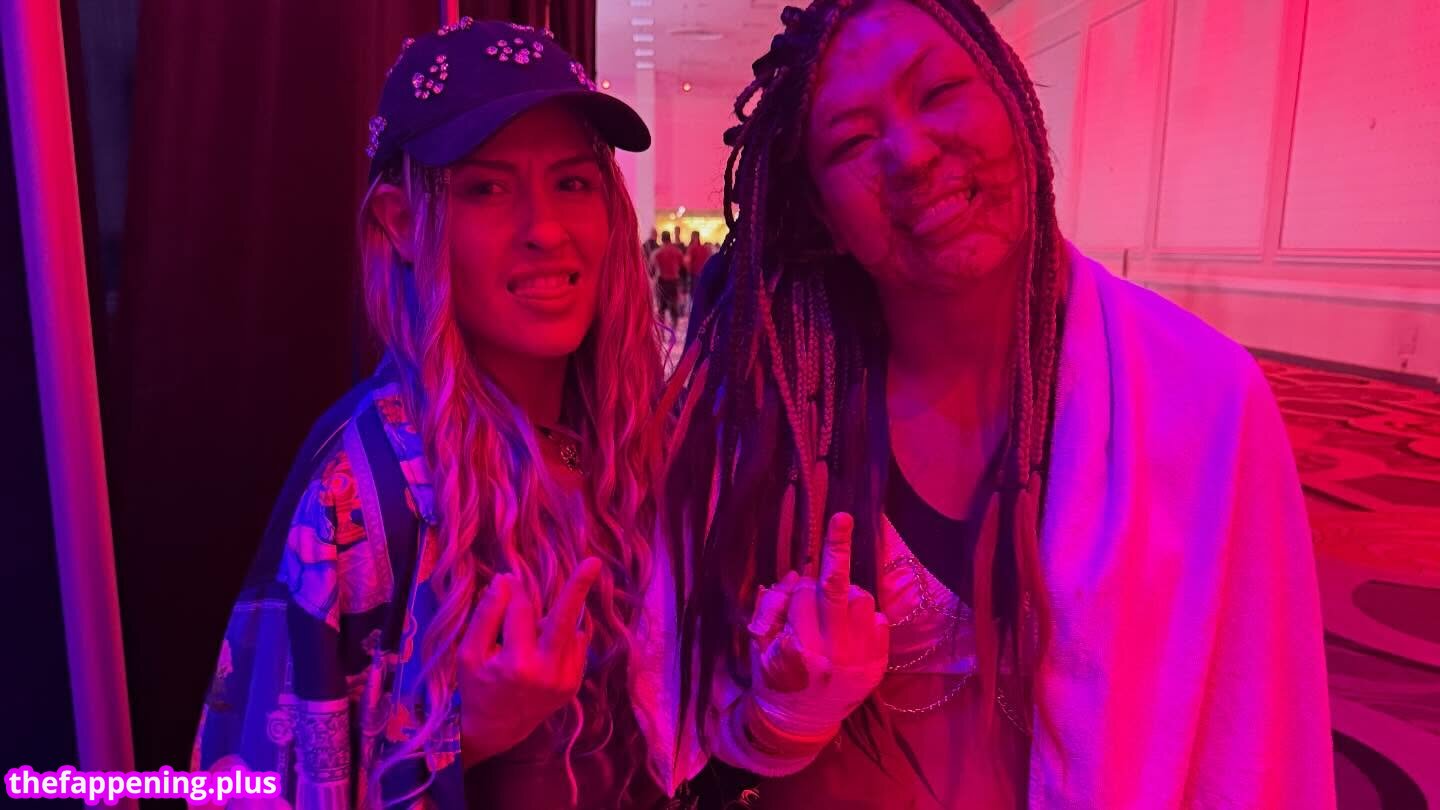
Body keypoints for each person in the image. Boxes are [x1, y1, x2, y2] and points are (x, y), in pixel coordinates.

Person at [648, 0, 1336, 807]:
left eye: (939, 92)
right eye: (853, 142)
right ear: (823, 215)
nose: (910, 154)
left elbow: (1253, 734)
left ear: (1012, 96)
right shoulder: (770, 412)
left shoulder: (1203, 399)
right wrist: (788, 711)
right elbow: (693, 727)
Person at [192, 19, 671, 808]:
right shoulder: (365, 489)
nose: (546, 230)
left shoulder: (631, 444)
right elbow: (257, 785)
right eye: (486, 188)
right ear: (402, 222)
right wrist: (470, 731)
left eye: (572, 183)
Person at [651, 230, 684, 326]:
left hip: (662, 282)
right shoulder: (677, 251)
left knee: (661, 308)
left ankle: (662, 330)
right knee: (674, 307)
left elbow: (652, 268)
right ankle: (674, 328)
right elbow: (682, 266)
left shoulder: (657, 252)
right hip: (674, 282)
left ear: (662, 239)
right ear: (670, 238)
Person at [684, 232, 710, 306]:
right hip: (704, 275)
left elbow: (687, 262)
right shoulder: (705, 249)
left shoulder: (691, 248)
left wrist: (688, 273)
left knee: (693, 296)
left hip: (694, 275)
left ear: (693, 237)